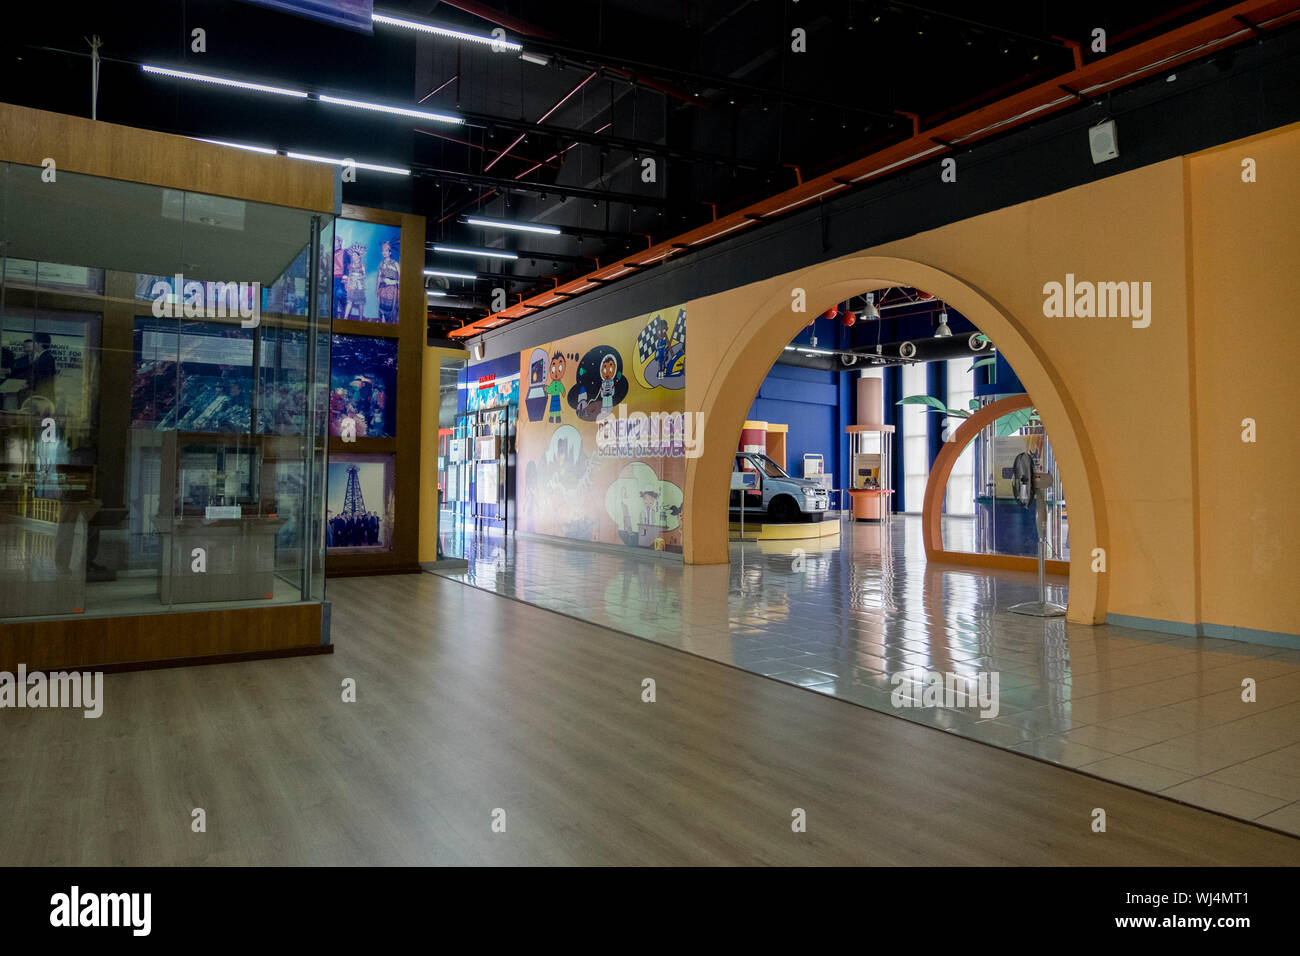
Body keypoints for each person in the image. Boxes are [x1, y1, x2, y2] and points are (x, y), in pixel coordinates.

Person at [376, 240, 400, 323]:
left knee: (392, 307)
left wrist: (399, 288)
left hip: (392, 288)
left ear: (390, 252)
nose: (384, 252)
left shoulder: (395, 263)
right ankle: (383, 324)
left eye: (386, 251)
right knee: (381, 307)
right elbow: (379, 277)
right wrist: (377, 288)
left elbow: (400, 276)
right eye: (383, 251)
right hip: (383, 288)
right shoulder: (381, 264)